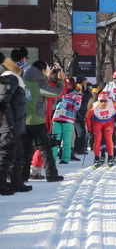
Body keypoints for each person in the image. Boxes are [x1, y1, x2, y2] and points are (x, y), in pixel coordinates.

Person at [22, 61, 65, 182]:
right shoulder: (39, 84)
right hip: (37, 121)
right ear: (42, 70)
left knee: (25, 149)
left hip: (23, 120)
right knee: (44, 148)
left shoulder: (24, 79)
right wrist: (61, 80)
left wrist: (47, 77)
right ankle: (51, 175)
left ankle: (22, 176)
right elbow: (56, 92)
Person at [0, 52, 32, 194]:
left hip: (17, 122)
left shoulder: (15, 77)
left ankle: (16, 181)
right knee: (6, 153)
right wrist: (9, 122)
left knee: (17, 153)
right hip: (11, 123)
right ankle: (2, 183)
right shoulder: (10, 76)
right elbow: (4, 100)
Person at [85, 92, 116, 168]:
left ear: (108, 100)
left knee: (108, 137)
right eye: (101, 101)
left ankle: (110, 158)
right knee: (98, 138)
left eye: (105, 101)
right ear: (98, 101)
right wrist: (89, 129)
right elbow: (87, 117)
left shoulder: (112, 103)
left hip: (108, 122)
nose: (103, 103)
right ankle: (96, 158)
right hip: (97, 123)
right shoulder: (94, 106)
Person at [51, 78, 82, 164]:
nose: (67, 85)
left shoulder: (76, 94)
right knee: (54, 139)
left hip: (68, 118)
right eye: (65, 83)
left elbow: (77, 107)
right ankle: (52, 158)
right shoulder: (59, 92)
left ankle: (65, 158)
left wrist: (78, 99)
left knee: (66, 139)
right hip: (57, 117)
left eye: (68, 84)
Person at [74, 75, 92, 155]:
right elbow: (84, 99)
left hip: (82, 112)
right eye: (85, 81)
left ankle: (78, 147)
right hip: (77, 113)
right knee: (81, 132)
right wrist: (88, 90)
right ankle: (80, 148)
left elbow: (87, 98)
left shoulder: (83, 88)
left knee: (80, 131)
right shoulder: (77, 89)